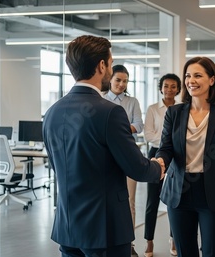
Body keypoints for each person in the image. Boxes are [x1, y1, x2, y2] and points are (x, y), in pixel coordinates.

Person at [42, 35, 163, 257]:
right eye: (110, 62)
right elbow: (137, 168)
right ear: (101, 65)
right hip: (104, 229)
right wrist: (157, 166)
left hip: (67, 228)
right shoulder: (110, 112)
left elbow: (58, 165)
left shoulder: (52, 113)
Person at [156, 56, 215, 257]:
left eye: (197, 75)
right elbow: (166, 147)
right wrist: (159, 160)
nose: (191, 80)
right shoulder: (174, 113)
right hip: (179, 192)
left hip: (213, 192)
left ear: (212, 80)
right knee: (185, 252)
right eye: (188, 75)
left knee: (213, 252)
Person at [103, 64, 144, 256]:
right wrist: (122, 128)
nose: (121, 84)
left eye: (125, 81)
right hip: (105, 156)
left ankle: (130, 244)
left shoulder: (132, 101)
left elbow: (139, 125)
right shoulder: (101, 99)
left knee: (129, 201)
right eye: (118, 80)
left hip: (128, 154)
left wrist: (117, 130)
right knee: (106, 200)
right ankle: (107, 241)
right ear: (110, 79)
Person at [143, 73, 182, 257]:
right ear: (161, 88)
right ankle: (149, 241)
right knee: (153, 200)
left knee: (176, 200)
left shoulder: (183, 109)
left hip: (178, 157)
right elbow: (148, 135)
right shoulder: (152, 109)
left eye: (173, 86)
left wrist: (172, 144)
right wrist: (169, 142)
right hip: (156, 155)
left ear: (178, 89)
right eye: (166, 86)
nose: (169, 89)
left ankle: (174, 238)